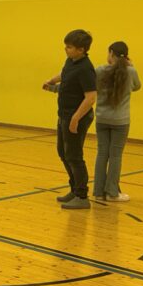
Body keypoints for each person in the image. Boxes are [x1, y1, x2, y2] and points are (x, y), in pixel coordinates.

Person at [42, 29, 97, 209]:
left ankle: (82, 196)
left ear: (81, 50)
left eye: (70, 47)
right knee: (63, 153)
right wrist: (52, 80)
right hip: (64, 115)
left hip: (77, 117)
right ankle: (74, 189)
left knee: (74, 156)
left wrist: (75, 118)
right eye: (66, 46)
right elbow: (64, 73)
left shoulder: (86, 69)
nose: (66, 49)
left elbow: (90, 97)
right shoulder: (71, 61)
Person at [93, 41, 141, 202]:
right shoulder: (130, 71)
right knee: (115, 156)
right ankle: (112, 192)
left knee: (102, 154)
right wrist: (131, 66)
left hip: (102, 118)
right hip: (120, 120)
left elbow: (93, 85)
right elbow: (137, 86)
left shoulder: (100, 70)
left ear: (111, 53)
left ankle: (98, 191)